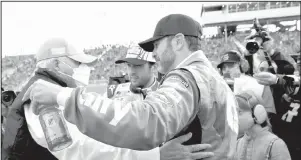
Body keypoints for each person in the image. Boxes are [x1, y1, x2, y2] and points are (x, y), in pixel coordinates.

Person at [23, 14, 238, 159]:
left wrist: (64, 96)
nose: (154, 53)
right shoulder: (215, 80)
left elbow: (145, 121)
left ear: (178, 41)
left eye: (156, 45)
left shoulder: (186, 78)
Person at [217, 50, 276, 122]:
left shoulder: (259, 83)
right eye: (223, 68)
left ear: (241, 66)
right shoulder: (218, 86)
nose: (227, 70)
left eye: (231, 66)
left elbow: (270, 111)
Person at [235, 90, 291, 160]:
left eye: (239, 112)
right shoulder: (238, 144)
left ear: (257, 112)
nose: (234, 117)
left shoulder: (275, 144)